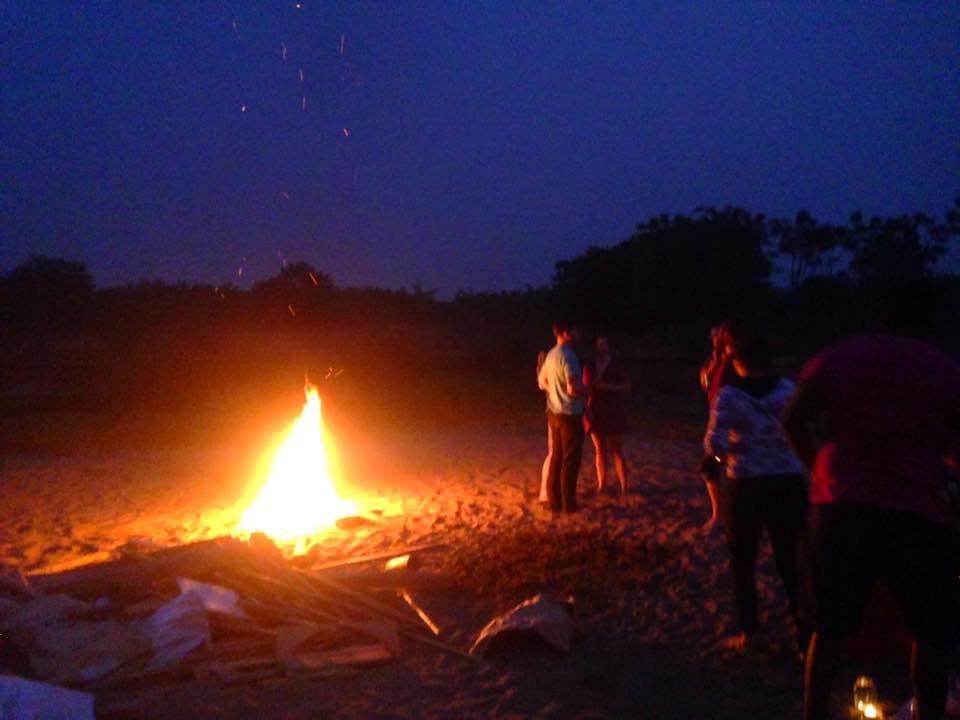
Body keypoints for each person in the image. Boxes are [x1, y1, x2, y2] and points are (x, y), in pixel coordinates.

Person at [784, 330, 960, 720]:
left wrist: (819, 469)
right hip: (918, 508)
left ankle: (813, 712)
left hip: (842, 502)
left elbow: (794, 418)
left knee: (828, 625)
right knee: (929, 631)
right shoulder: (946, 369)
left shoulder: (839, 356)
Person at [703, 328, 809, 653]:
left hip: (746, 484)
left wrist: (717, 461)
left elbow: (715, 443)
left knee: (743, 562)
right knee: (791, 560)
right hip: (788, 482)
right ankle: (806, 636)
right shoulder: (790, 390)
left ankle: (751, 632)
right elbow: (804, 428)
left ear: (737, 360)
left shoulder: (731, 396)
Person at [537, 319, 589, 513]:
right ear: (566, 333)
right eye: (575, 330)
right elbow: (573, 387)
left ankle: (554, 502)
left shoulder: (551, 354)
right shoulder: (569, 356)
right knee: (570, 460)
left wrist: (554, 391)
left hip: (554, 414)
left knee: (557, 457)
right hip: (569, 414)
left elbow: (541, 382)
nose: (578, 333)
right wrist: (587, 391)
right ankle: (569, 505)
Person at [699, 321, 736, 530]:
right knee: (713, 465)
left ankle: (721, 514)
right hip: (717, 419)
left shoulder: (734, 361)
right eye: (713, 337)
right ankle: (719, 513)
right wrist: (714, 360)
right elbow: (704, 381)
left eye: (717, 336)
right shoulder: (715, 360)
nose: (714, 340)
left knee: (715, 464)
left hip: (733, 420)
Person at [583, 334, 631, 497]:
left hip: (613, 410)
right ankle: (602, 484)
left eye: (604, 344)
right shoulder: (590, 365)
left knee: (617, 450)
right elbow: (585, 388)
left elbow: (626, 386)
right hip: (595, 409)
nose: (601, 347)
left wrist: (607, 386)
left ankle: (624, 486)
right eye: (599, 344)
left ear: (609, 346)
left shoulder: (616, 365)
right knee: (599, 450)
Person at [537, 349, 553, 504]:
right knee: (553, 452)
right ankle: (544, 492)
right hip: (555, 411)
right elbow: (541, 383)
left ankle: (549, 491)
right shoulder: (550, 359)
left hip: (556, 411)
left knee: (555, 453)